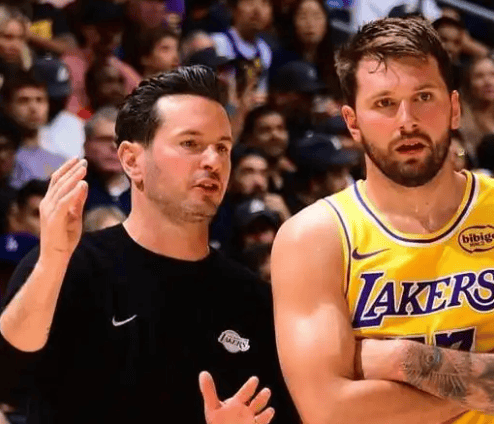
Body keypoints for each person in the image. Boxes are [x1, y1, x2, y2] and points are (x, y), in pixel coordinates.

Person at [271, 16, 494, 424]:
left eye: (423, 97)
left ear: (454, 108)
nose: (407, 121)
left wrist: (404, 360)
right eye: (384, 103)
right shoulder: (313, 238)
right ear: (352, 123)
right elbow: (329, 413)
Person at [0, 66, 298, 424]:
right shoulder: (68, 267)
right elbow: (8, 378)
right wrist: (52, 262)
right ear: (132, 160)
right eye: (190, 144)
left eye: (223, 147)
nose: (213, 161)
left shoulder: (251, 298)